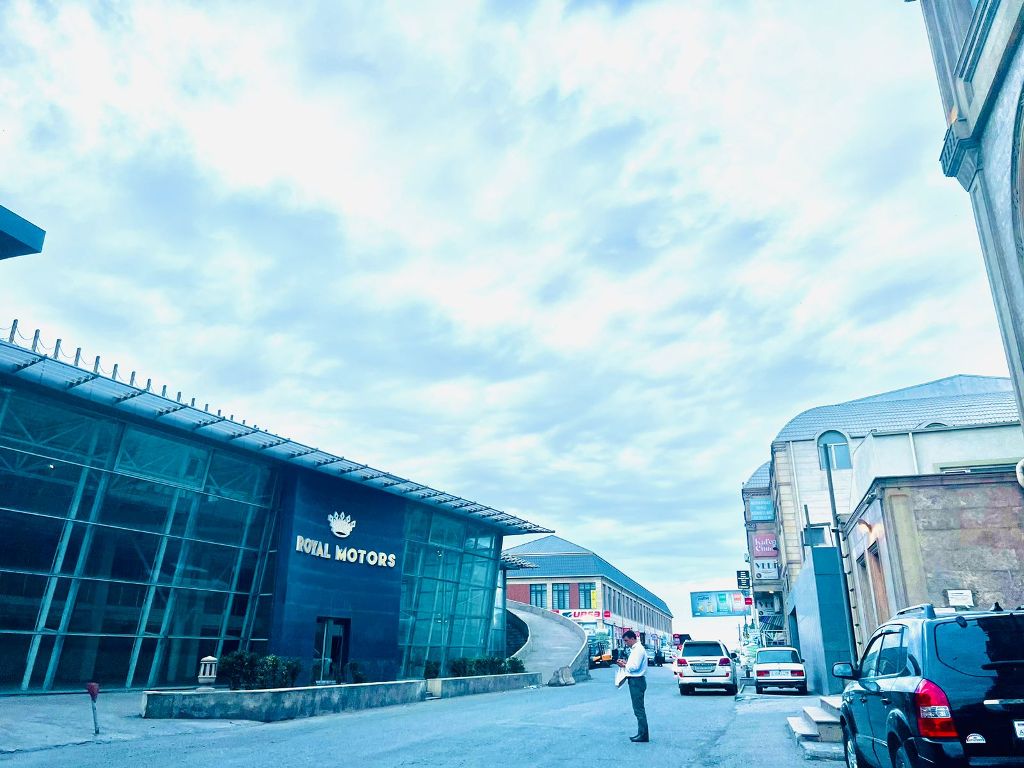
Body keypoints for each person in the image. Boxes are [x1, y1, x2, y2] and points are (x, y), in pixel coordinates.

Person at [616, 629, 649, 742]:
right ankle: (641, 733)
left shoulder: (638, 650)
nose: (626, 643)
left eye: (626, 640)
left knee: (638, 709)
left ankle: (643, 734)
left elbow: (634, 667)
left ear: (632, 638)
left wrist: (624, 665)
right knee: (638, 708)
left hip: (637, 680)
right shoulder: (636, 649)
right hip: (636, 680)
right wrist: (626, 663)